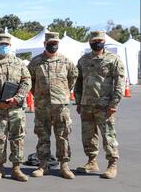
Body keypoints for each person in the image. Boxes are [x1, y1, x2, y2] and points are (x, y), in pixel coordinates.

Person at [74, 30, 125, 179]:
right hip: (86, 105)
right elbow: (78, 83)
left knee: (108, 135)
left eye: (100, 41)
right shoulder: (83, 60)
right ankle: (91, 161)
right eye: (94, 41)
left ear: (104, 42)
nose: (97, 43)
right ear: (90, 42)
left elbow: (120, 83)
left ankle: (112, 164)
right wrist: (78, 102)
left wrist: (114, 102)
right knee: (88, 136)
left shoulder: (113, 59)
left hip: (105, 106)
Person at [0, 34, 32, 182]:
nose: (4, 47)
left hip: (15, 108)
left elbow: (26, 81)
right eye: (1, 44)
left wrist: (17, 98)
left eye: (6, 44)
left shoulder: (19, 63)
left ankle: (16, 168)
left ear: (10, 46)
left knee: (18, 138)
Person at [28, 32, 78, 180]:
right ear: (44, 44)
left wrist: (62, 92)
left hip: (60, 106)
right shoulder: (36, 62)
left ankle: (64, 165)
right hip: (42, 105)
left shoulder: (66, 61)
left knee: (63, 136)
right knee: (43, 135)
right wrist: (38, 93)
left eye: (55, 43)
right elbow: (30, 80)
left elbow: (72, 78)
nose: (53, 45)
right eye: (50, 43)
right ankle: (43, 165)